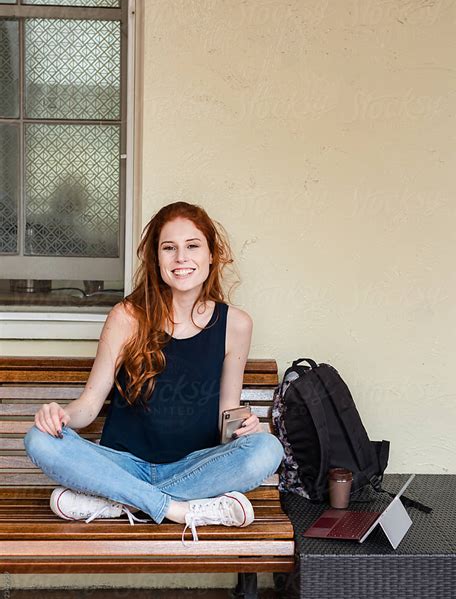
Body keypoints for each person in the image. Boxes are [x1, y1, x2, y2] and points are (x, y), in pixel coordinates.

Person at [24, 202, 283, 542]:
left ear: (211, 255)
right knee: (38, 439)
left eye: (192, 246)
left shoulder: (236, 324)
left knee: (268, 449)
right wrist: (59, 415)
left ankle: (122, 502)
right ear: (156, 259)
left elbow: (227, 413)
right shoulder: (127, 317)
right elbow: (88, 406)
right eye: (169, 248)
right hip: (122, 464)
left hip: (194, 466)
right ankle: (176, 509)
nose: (181, 258)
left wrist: (243, 428)